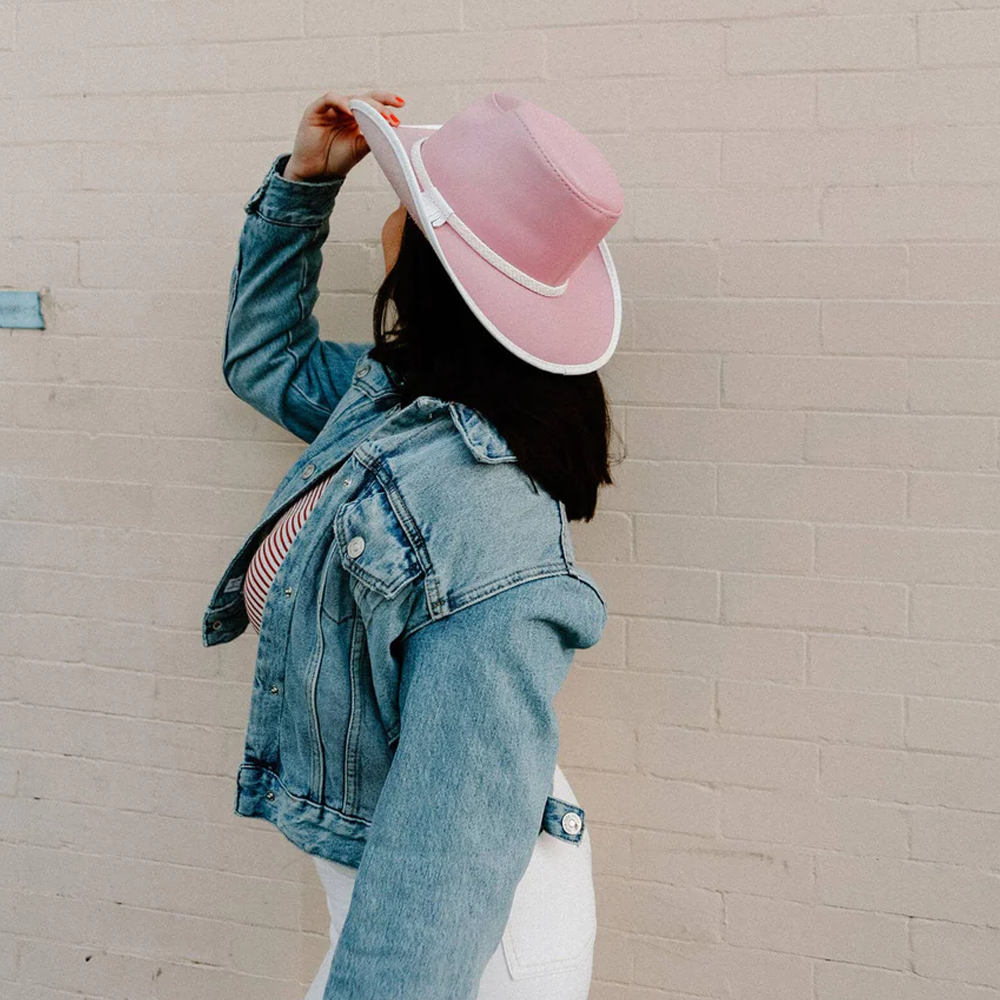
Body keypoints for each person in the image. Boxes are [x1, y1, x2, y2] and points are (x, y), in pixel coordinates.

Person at [202, 87, 625, 1000]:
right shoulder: (393, 402)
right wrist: (307, 186)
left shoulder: (486, 508)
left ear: (434, 264)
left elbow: (456, 838)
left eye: (408, 202)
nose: (392, 214)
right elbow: (263, 361)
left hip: (467, 935)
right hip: (396, 900)